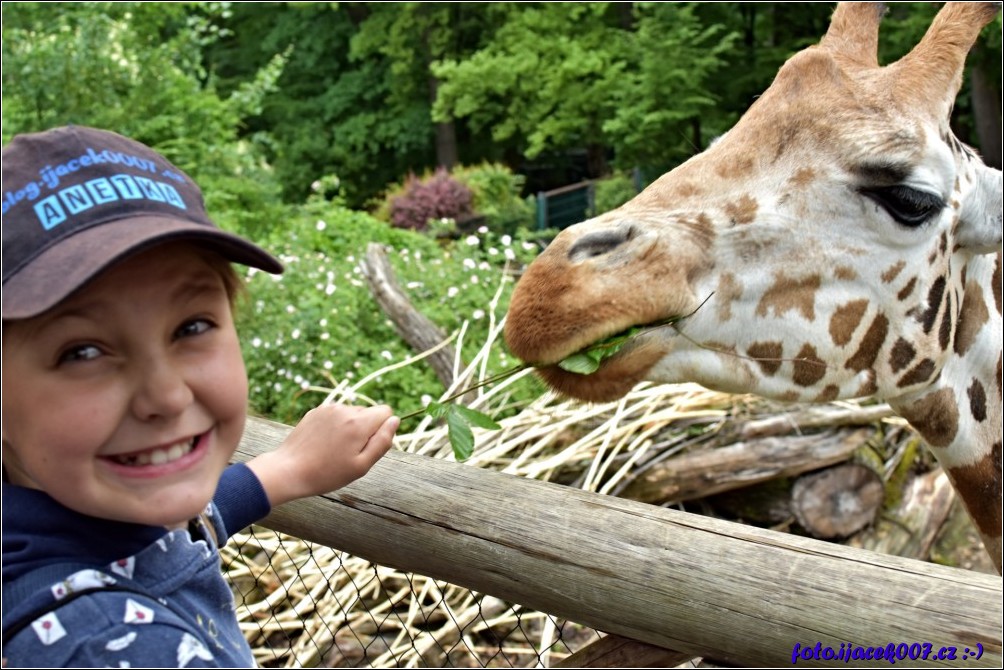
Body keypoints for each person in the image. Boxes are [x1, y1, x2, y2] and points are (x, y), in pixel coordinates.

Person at [1, 125, 400, 667]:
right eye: (83, 353)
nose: (165, 396)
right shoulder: (117, 649)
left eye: (191, 327)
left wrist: (284, 470)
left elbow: (175, 531)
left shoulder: (56, 524)